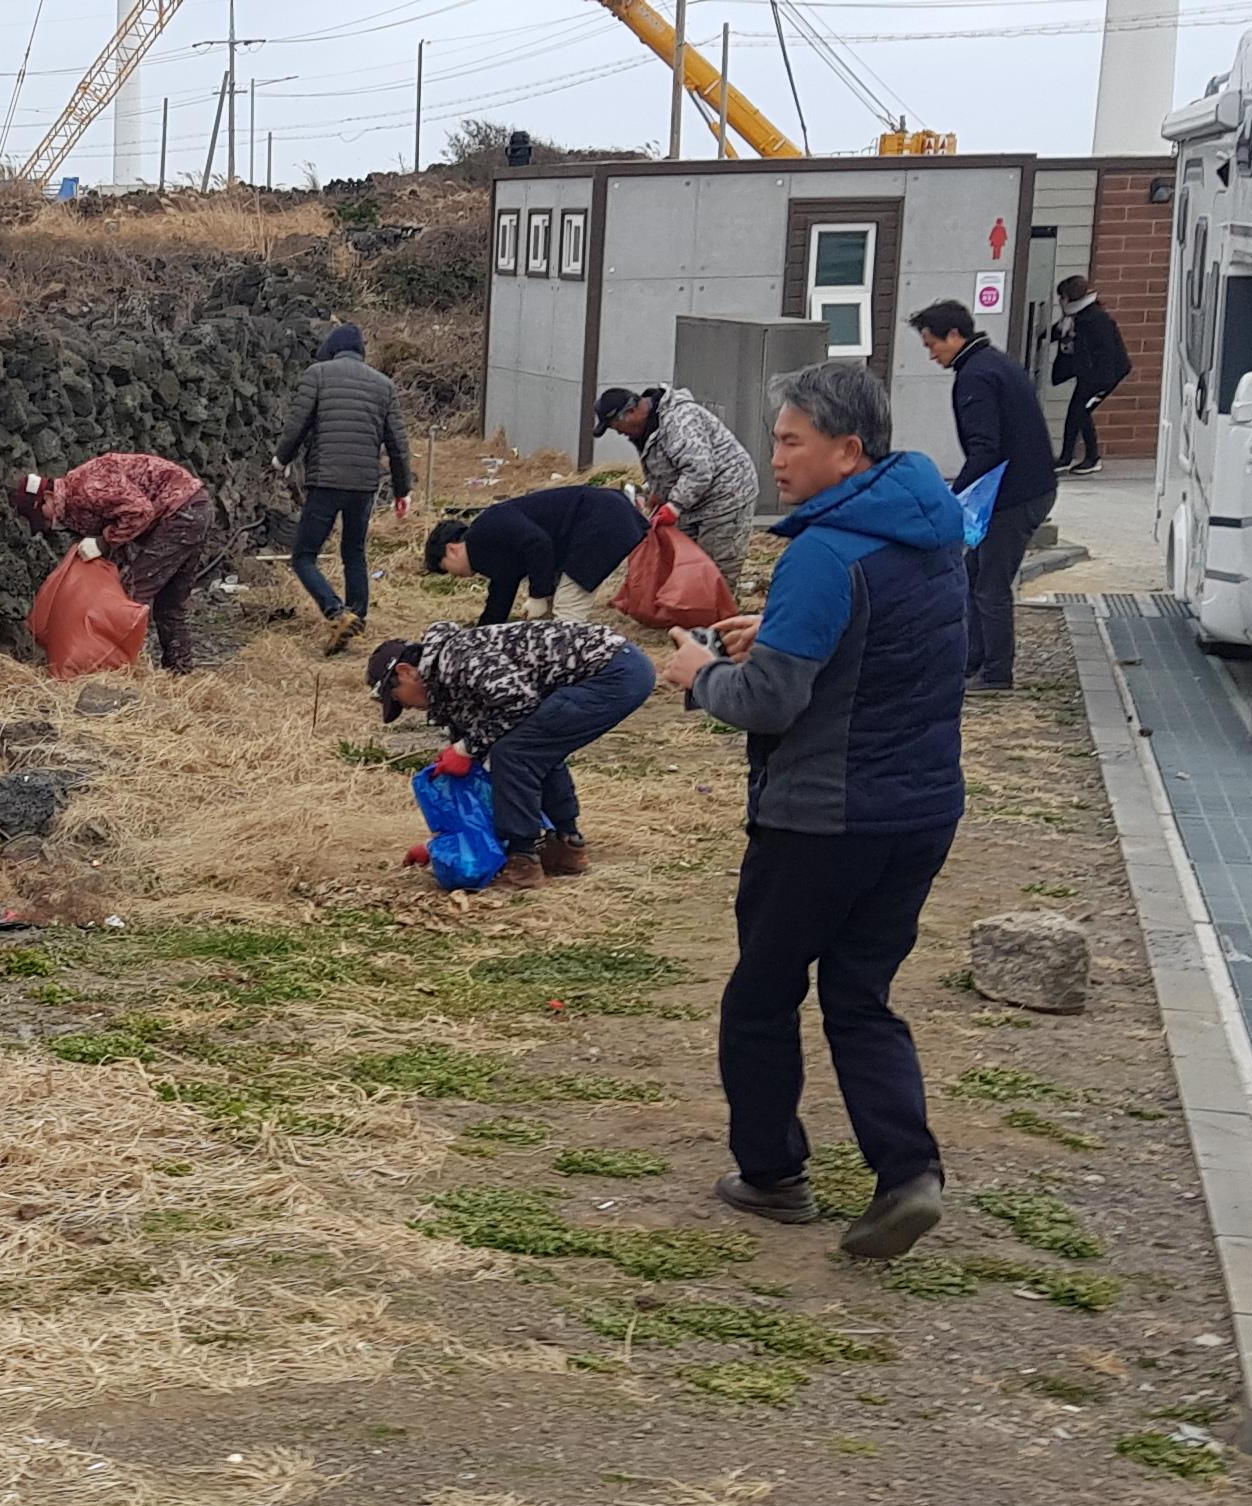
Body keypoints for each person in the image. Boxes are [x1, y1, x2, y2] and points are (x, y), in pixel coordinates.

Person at [657, 360, 967, 1263]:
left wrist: (701, 675)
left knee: (761, 996)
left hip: (821, 819)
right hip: (920, 813)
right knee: (861, 996)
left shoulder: (824, 553)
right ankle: (909, 1173)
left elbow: (768, 705)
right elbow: (886, 650)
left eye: (791, 441)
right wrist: (781, 635)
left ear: (848, 450)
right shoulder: (932, 532)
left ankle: (771, 1173)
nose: (775, 458)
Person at [365, 619, 656, 890]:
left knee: (515, 753)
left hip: (613, 671)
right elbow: (487, 770)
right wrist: (448, 844)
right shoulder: (447, 682)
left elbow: (519, 701)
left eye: (397, 699)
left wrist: (466, 749)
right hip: (619, 669)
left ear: (406, 671)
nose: (408, 709)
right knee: (533, 747)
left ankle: (524, 858)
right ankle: (566, 845)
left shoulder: (456, 658)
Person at [915, 298, 1056, 692]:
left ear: (955, 335)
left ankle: (995, 672)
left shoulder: (975, 376)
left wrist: (953, 498)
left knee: (989, 584)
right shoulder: (995, 362)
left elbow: (985, 448)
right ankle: (972, 661)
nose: (931, 355)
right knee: (973, 574)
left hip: (1014, 495)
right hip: (1031, 486)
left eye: (932, 345)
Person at [8, 452, 221, 671]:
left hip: (180, 513)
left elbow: (140, 512)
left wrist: (104, 542)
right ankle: (180, 672)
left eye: (42, 516)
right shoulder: (76, 502)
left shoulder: (86, 487)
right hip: (196, 507)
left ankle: (116, 667)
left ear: (49, 497)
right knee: (170, 602)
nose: (47, 524)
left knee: (131, 593)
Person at [276, 324, 415, 652]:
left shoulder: (318, 374)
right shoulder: (385, 385)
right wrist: (402, 490)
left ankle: (336, 613)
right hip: (364, 485)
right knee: (354, 552)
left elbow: (298, 423)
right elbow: (398, 444)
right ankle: (356, 617)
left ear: (331, 350)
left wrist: (282, 458)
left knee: (304, 556)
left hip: (326, 479)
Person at [595, 383, 761, 578]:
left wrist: (674, 505)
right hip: (695, 500)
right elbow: (670, 464)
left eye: (617, 427)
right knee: (683, 566)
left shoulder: (679, 421)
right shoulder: (648, 427)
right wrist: (659, 492)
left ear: (631, 411)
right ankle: (689, 606)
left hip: (726, 496)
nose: (620, 434)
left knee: (714, 571)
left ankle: (716, 608)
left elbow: (699, 470)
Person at [427, 483, 651, 626]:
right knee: (549, 615)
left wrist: (538, 594)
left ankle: (572, 668)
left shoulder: (485, 529)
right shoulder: (488, 550)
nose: (454, 576)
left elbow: (538, 544)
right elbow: (501, 594)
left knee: (567, 610)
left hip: (602, 520)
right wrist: (482, 633)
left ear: (452, 549)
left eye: (446, 569)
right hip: (603, 517)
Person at [1047, 275, 1131, 476]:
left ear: (1070, 298)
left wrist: (1096, 379)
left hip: (1104, 376)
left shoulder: (1094, 319)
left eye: (1062, 297)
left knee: (1081, 411)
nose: (1060, 301)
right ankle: (1067, 458)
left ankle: (1091, 458)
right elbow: (1056, 335)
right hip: (1090, 375)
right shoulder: (1074, 318)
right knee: (1077, 411)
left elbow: (1106, 353)